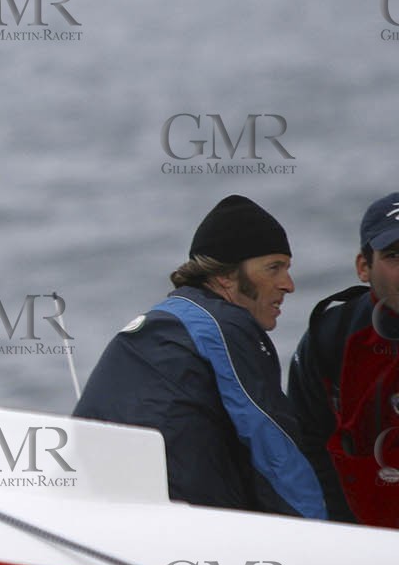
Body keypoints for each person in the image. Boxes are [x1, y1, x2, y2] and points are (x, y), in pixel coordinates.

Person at [72, 194, 326, 518]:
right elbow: (273, 443)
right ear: (225, 276)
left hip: (96, 510)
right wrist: (316, 533)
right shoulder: (223, 327)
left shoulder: (161, 323)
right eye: (274, 268)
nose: (288, 285)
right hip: (181, 525)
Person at [286, 192, 399, 527]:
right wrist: (339, 533)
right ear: (364, 267)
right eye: (394, 255)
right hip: (358, 538)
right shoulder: (331, 337)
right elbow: (308, 444)